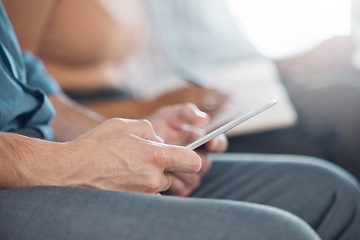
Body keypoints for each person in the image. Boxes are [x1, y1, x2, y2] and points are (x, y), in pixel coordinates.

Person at [1, 2, 360, 240]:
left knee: (333, 193)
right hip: (17, 176)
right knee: (281, 233)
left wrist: (129, 137)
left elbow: (30, 90)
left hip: (48, 140)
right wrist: (73, 162)